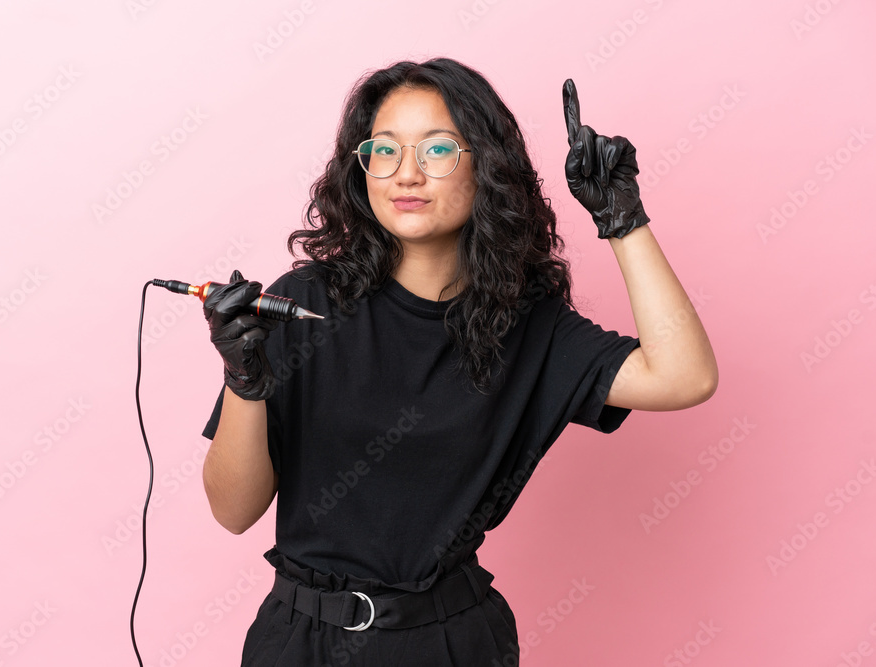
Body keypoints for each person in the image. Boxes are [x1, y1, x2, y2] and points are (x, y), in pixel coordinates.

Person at [200, 57, 718, 666]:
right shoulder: (304, 304)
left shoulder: (528, 324)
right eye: (384, 150)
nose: (407, 173)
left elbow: (685, 376)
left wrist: (621, 218)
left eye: (438, 149)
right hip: (301, 642)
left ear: (486, 167)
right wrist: (244, 380)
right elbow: (234, 512)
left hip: (451, 642)